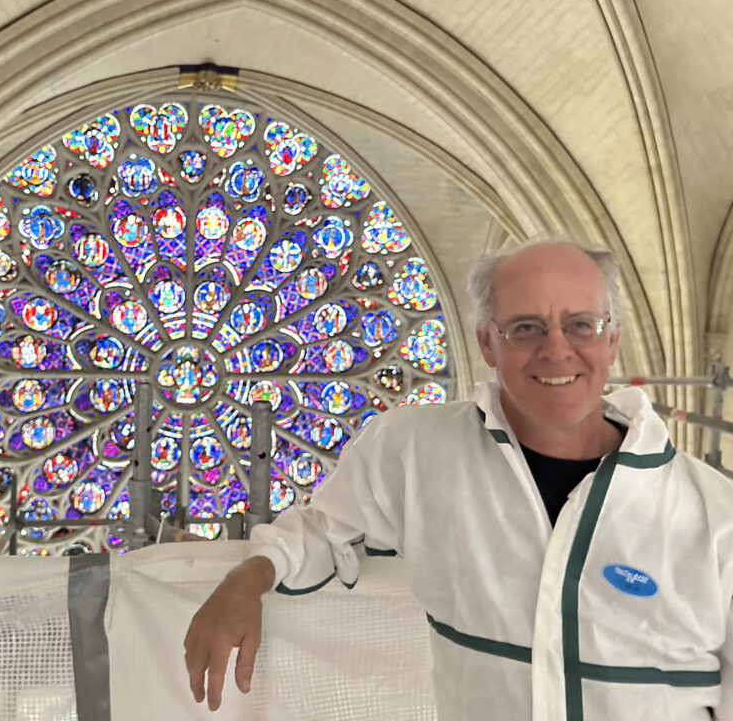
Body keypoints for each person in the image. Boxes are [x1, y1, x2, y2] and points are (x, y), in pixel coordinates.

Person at [184, 240, 733, 719]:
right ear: (488, 344)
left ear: (611, 339)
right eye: (526, 328)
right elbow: (324, 529)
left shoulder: (716, 517)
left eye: (580, 325)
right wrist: (248, 577)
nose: (557, 348)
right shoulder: (417, 453)